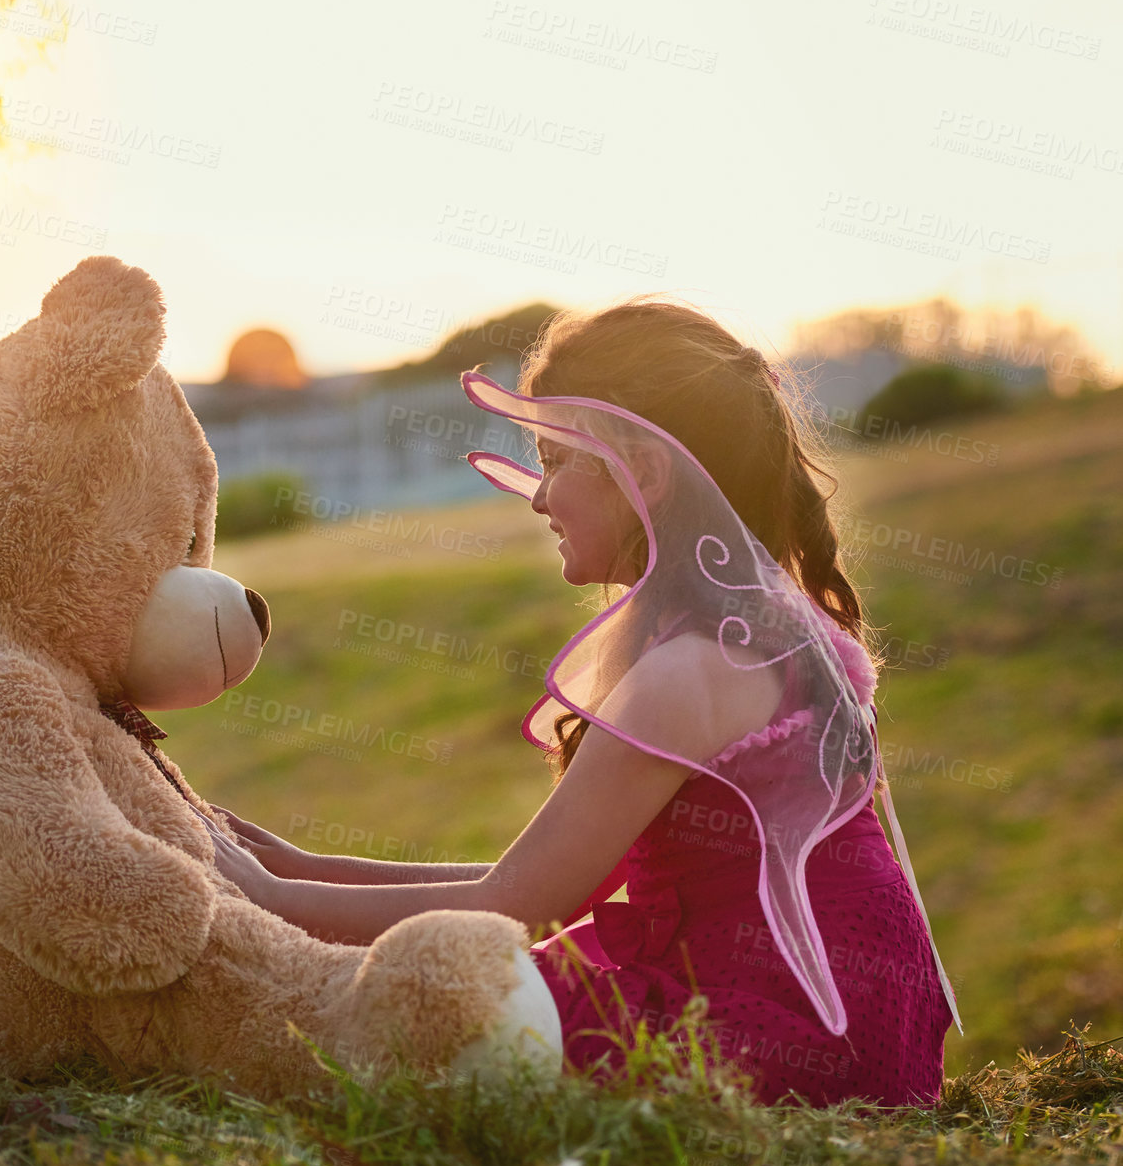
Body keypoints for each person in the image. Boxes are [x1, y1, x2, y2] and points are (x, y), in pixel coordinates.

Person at [202, 298, 960, 1107]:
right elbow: (540, 880)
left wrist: (269, 899)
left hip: (778, 1035)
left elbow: (518, 904)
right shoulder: (751, 632)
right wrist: (299, 865)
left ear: (647, 473)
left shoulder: (693, 671)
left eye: (557, 460)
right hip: (854, 1026)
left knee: (444, 1022)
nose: (536, 496)